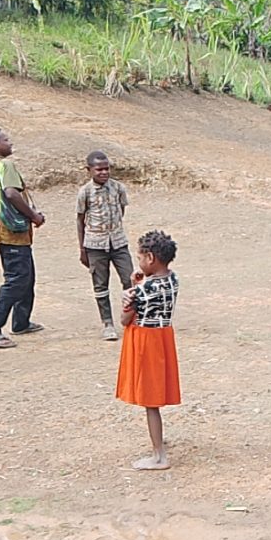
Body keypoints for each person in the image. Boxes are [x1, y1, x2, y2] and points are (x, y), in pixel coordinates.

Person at [116, 230, 181, 471]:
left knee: (150, 400)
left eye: (141, 258)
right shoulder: (173, 280)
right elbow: (155, 297)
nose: (139, 262)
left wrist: (129, 295)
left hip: (145, 341)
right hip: (162, 337)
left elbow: (125, 319)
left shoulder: (142, 291)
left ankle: (158, 456)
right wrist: (138, 284)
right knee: (157, 391)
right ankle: (158, 443)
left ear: (151, 258)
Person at [0, 127, 45, 349]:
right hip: (11, 233)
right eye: (6, 139)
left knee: (26, 277)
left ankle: (21, 321)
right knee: (17, 280)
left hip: (4, 231)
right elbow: (11, 193)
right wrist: (34, 215)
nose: (11, 142)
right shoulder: (5, 165)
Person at [77, 150, 133, 341]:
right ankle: (107, 323)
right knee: (100, 285)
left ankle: (132, 317)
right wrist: (83, 248)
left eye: (106, 168)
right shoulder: (85, 192)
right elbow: (80, 219)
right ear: (89, 170)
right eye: (98, 169)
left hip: (118, 241)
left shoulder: (118, 188)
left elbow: (121, 209)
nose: (103, 172)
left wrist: (113, 229)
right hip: (94, 244)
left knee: (130, 279)